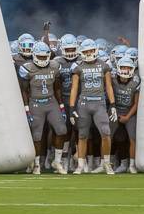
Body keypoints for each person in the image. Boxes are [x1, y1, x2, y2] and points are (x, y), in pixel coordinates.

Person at [19, 41, 68, 175]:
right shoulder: (27, 68)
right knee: (37, 135)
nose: (42, 60)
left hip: (51, 102)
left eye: (44, 57)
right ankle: (36, 164)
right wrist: (26, 108)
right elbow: (24, 90)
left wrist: (62, 106)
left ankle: (57, 161)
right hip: (35, 103)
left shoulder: (54, 66)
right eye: (39, 57)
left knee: (62, 130)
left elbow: (58, 87)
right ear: (34, 56)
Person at [70, 38, 116, 175]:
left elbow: (109, 86)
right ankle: (80, 165)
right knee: (83, 135)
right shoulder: (78, 67)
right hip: (84, 103)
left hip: (99, 103)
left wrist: (112, 104)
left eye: (91, 50)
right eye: (86, 51)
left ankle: (106, 163)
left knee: (106, 133)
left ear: (96, 50)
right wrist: (72, 108)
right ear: (82, 52)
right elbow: (74, 88)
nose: (89, 53)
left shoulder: (104, 65)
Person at [113, 55, 140, 173]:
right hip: (115, 111)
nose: (125, 70)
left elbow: (136, 103)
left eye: (128, 68)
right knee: (115, 137)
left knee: (132, 138)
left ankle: (132, 164)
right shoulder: (113, 79)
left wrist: (127, 117)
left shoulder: (135, 82)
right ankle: (121, 163)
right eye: (123, 67)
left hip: (130, 113)